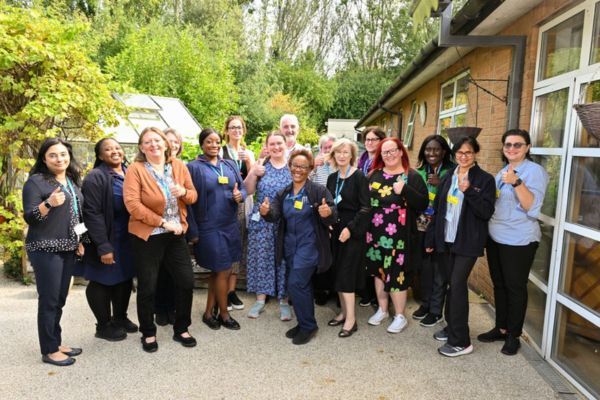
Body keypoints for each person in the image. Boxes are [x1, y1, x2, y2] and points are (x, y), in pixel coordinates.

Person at [124, 127, 198, 353]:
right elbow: (133, 205)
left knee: (186, 281)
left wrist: (183, 192)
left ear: (166, 144)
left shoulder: (178, 166)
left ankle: (182, 328)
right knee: (148, 286)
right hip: (148, 236)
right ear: (141, 147)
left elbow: (193, 196)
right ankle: (148, 332)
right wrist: (163, 222)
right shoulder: (135, 170)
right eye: (148, 142)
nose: (153, 145)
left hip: (176, 235)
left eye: (157, 140)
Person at [479, 129, 548, 355]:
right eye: (508, 145)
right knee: (499, 285)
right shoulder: (502, 172)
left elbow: (531, 207)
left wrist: (517, 182)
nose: (511, 149)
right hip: (496, 237)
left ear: (527, 147)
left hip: (518, 240)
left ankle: (513, 335)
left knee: (515, 288)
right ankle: (501, 328)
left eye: (517, 145)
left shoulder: (534, 172)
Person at [425, 135, 495, 357]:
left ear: (475, 154)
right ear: (454, 155)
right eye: (460, 153)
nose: (464, 156)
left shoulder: (484, 180)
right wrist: (430, 239)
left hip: (467, 242)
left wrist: (469, 191)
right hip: (445, 239)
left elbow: (486, 212)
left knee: (457, 285)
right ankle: (452, 327)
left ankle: (461, 341)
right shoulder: (448, 176)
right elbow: (437, 208)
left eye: (468, 152)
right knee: (448, 283)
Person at [259, 149, 337, 345]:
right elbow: (274, 215)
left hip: (309, 246)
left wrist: (327, 213)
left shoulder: (317, 191)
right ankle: (304, 323)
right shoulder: (284, 192)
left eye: (303, 166)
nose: (298, 170)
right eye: (295, 165)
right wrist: (265, 212)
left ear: (310, 169)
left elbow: (333, 214)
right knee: (302, 286)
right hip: (290, 247)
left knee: (295, 284)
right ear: (289, 167)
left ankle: (309, 326)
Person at [23, 137, 85, 366]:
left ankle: (56, 342)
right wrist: (48, 203)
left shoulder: (71, 181)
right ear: (44, 159)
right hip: (45, 249)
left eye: (63, 154)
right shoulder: (36, 182)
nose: (59, 159)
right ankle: (49, 350)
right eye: (53, 155)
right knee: (49, 300)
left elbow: (78, 214)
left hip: (69, 248)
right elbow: (30, 217)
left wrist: (81, 240)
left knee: (59, 299)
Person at [365, 138, 428, 334]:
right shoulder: (374, 175)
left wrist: (405, 190)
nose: (389, 155)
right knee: (379, 272)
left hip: (400, 236)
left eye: (393, 151)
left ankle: (399, 315)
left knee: (397, 274)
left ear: (401, 152)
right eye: (385, 152)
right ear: (380, 155)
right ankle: (383, 310)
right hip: (374, 234)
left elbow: (423, 204)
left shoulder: (412, 176)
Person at [187, 128, 247, 331]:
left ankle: (207, 312)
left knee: (221, 271)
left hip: (229, 225)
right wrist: (192, 231)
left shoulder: (228, 165)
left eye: (216, 142)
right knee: (222, 269)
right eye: (209, 142)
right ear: (201, 144)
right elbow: (187, 202)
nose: (213, 145)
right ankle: (224, 314)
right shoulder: (193, 168)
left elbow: (243, 187)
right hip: (208, 227)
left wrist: (242, 195)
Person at [81, 138, 138, 342]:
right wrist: (103, 246)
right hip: (106, 237)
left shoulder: (130, 171)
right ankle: (103, 325)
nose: (114, 151)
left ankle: (120, 317)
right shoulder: (95, 178)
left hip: (127, 238)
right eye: (108, 149)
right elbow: (92, 214)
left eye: (117, 148)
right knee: (101, 281)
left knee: (124, 278)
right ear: (100, 156)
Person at [244, 131, 292, 320]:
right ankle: (260, 299)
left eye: (279, 143)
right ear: (267, 146)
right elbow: (248, 190)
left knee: (284, 258)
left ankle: (284, 300)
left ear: (285, 144)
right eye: (272, 144)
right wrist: (254, 172)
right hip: (262, 220)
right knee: (262, 256)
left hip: (284, 220)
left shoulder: (292, 166)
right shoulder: (261, 165)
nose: (276, 147)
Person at [325, 138, 370, 338]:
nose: (342, 156)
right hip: (335, 229)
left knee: (347, 274)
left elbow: (366, 208)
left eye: (346, 152)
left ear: (352, 155)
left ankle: (351, 320)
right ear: (333, 155)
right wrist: (328, 223)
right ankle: (343, 312)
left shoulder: (360, 177)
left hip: (352, 231)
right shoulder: (332, 178)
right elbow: (329, 204)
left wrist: (351, 229)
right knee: (337, 273)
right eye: (338, 152)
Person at [412, 135, 455, 327]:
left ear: (444, 152)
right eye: (428, 149)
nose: (432, 153)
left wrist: (442, 185)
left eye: (436, 149)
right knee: (424, 268)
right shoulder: (419, 172)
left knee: (439, 270)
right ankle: (425, 303)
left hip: (441, 227)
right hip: (420, 225)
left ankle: (436, 310)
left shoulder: (452, 173)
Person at [222, 116, 255, 311]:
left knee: (239, 243)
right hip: (225, 203)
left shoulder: (247, 152)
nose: (236, 131)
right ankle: (222, 289)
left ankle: (231, 291)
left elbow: (253, 180)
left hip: (244, 202)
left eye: (239, 127)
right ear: (227, 130)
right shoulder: (220, 152)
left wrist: (250, 161)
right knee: (226, 244)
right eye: (233, 127)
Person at [154, 128, 182, 326]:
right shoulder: (150, 168)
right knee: (159, 272)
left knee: (175, 273)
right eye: (169, 141)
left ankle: (172, 308)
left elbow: (191, 197)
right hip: (156, 228)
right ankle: (160, 309)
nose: (173, 145)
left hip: (178, 227)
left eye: (176, 142)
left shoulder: (181, 167)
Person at [357, 126, 386, 307]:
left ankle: (379, 298)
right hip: (364, 211)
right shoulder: (362, 159)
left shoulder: (384, 160)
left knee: (378, 255)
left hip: (379, 215)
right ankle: (367, 292)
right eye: (367, 139)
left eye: (373, 139)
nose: (369, 143)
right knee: (366, 253)